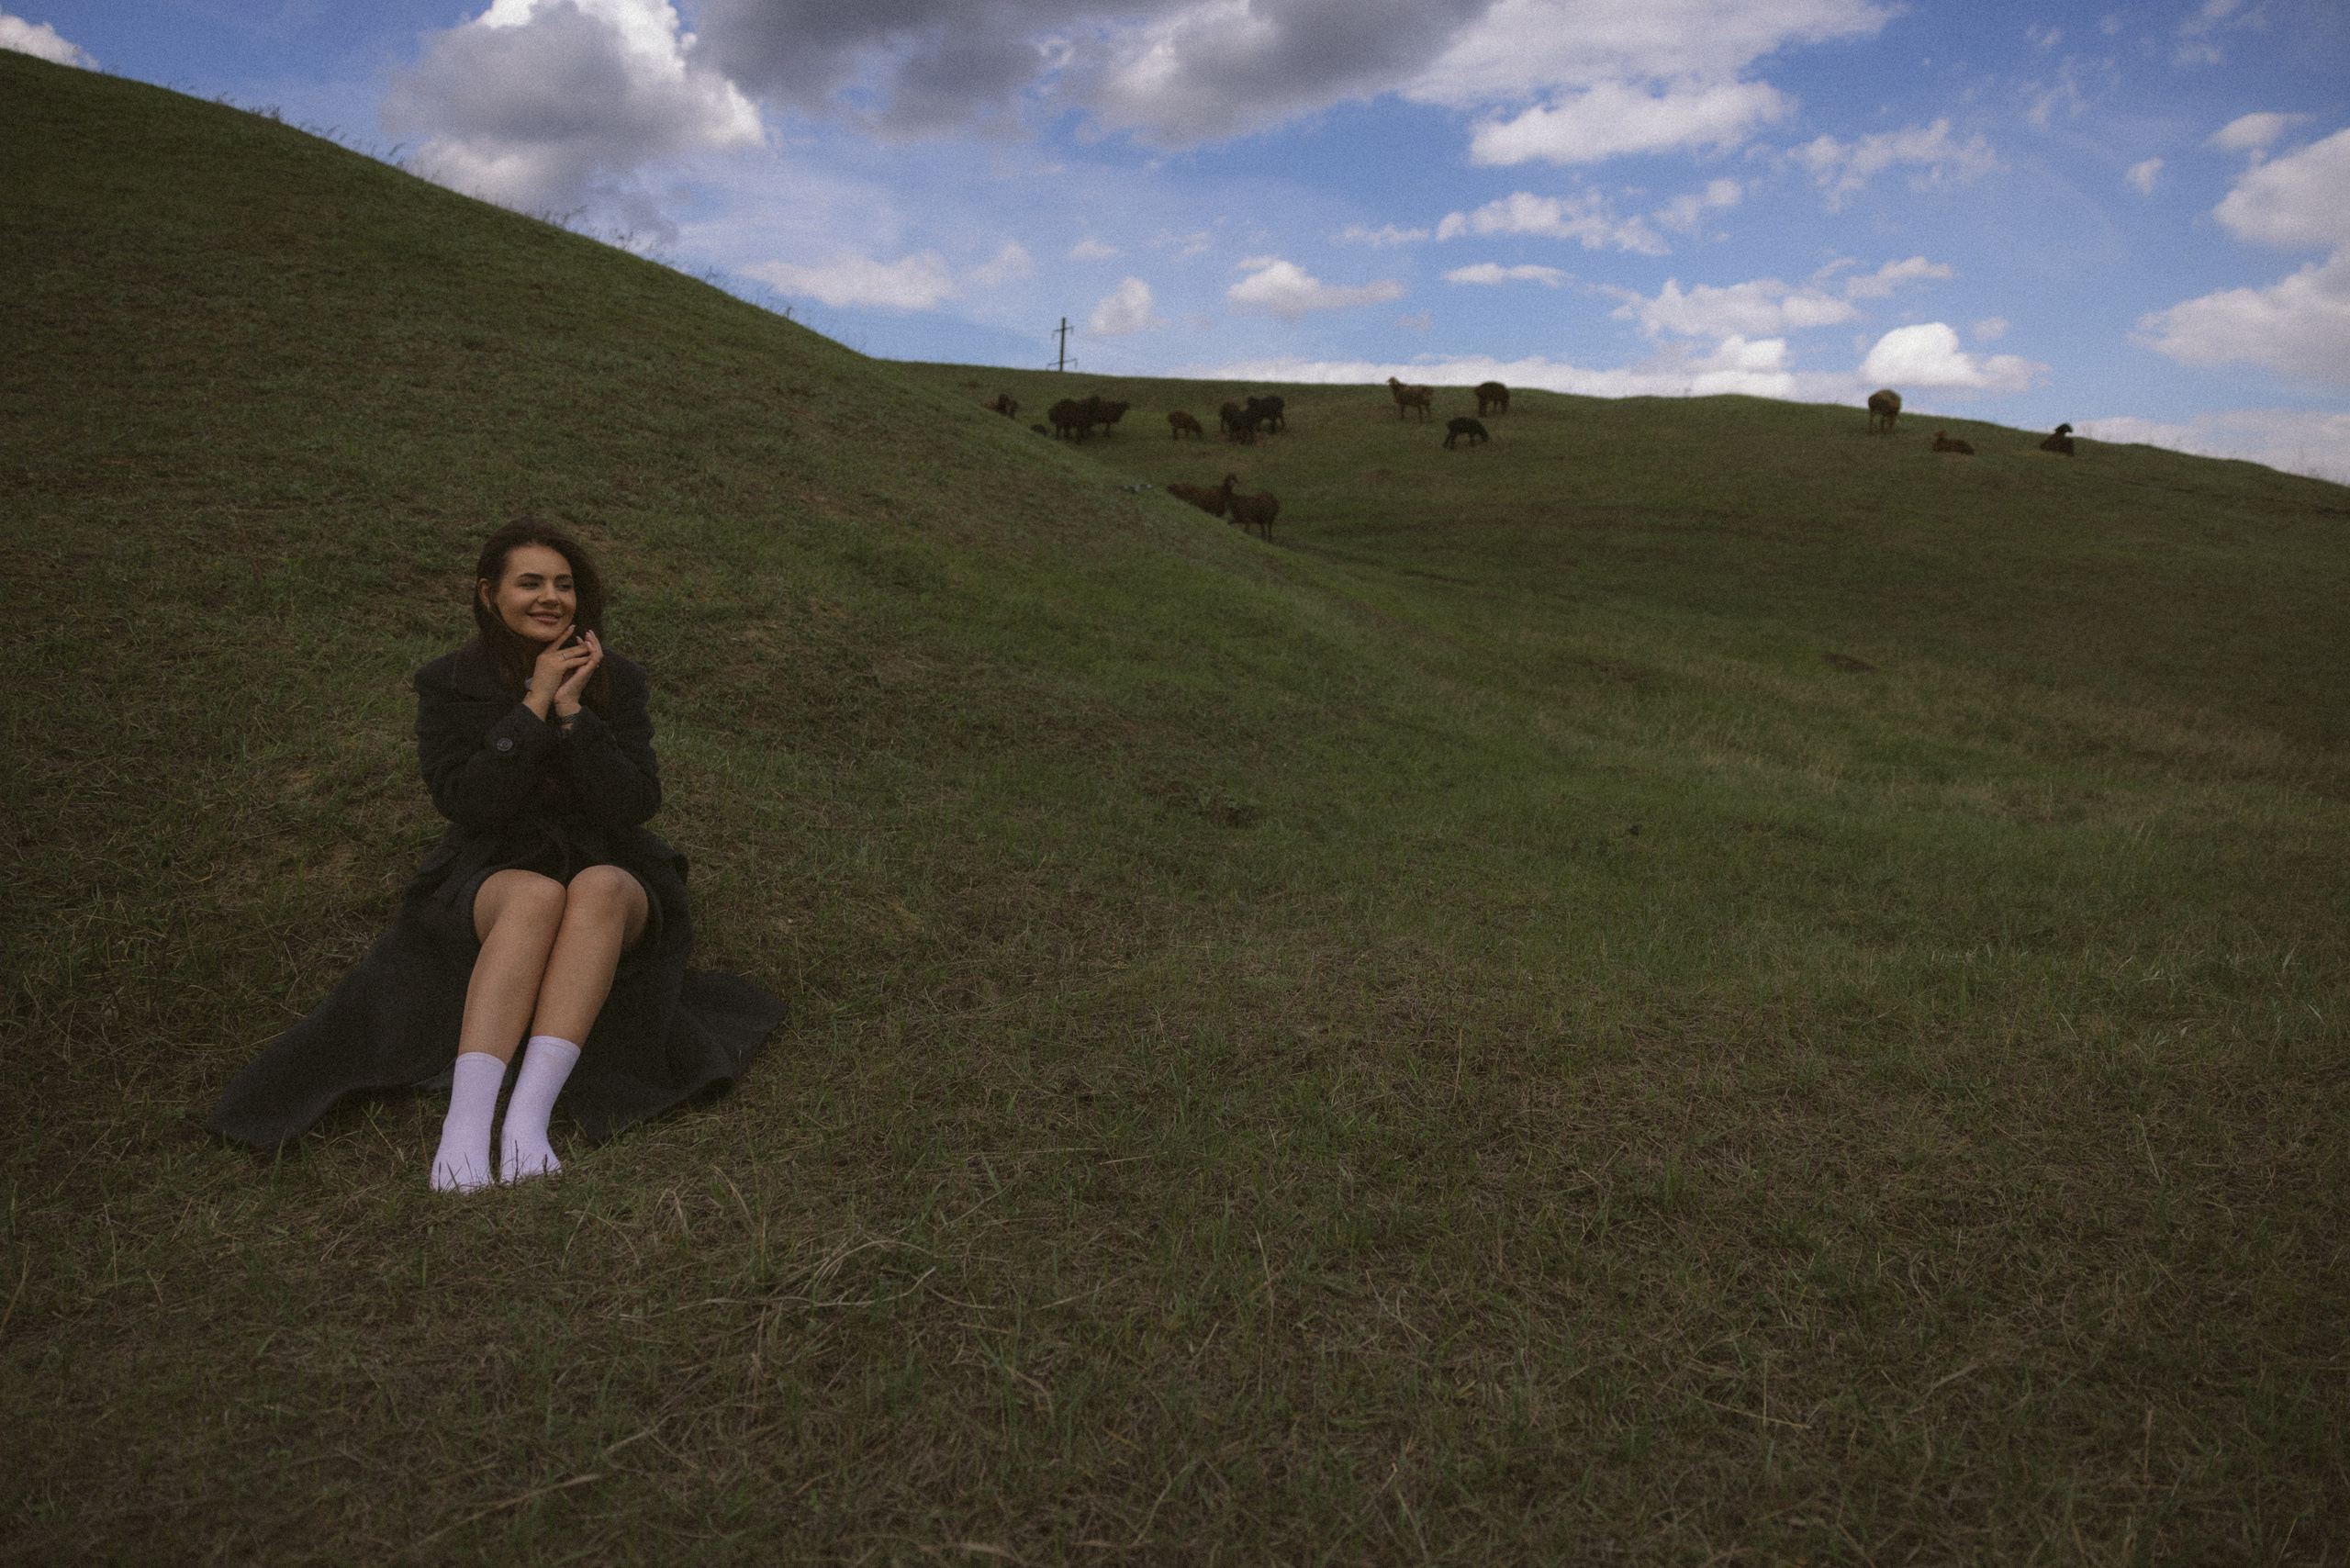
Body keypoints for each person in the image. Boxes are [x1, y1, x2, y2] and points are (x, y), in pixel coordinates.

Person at [208, 520, 786, 1189]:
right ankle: (465, 1126)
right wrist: (534, 704)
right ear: (489, 594)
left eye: (564, 585)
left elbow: (634, 805)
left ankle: (527, 1122)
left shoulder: (616, 679)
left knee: (596, 886)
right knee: (537, 895)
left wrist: (575, 715)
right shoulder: (448, 683)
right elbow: (467, 802)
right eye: (530, 583)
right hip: (494, 865)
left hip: (610, 864)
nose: (551, 597)